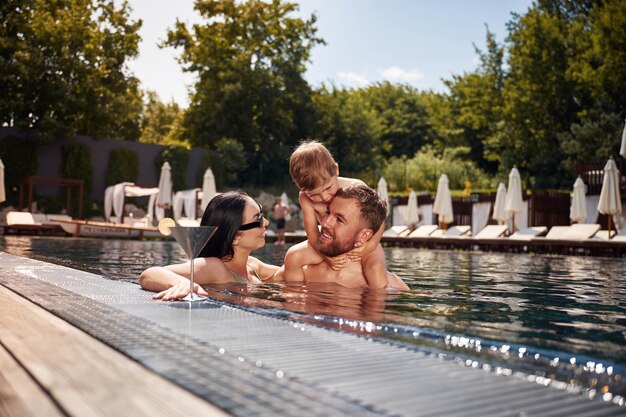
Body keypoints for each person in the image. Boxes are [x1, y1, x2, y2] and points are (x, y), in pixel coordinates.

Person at [284, 140, 390, 288]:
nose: (324, 197)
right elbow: (312, 232)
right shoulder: (304, 198)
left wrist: (370, 245)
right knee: (293, 257)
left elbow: (378, 220)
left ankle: (377, 303)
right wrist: (325, 256)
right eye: (314, 195)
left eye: (328, 188)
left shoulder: (355, 187)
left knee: (374, 268)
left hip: (360, 242)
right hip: (327, 242)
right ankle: (295, 296)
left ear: (336, 170)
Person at [139, 191, 280, 300]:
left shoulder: (253, 266)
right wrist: (182, 283)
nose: (266, 222)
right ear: (235, 237)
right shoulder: (215, 267)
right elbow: (149, 274)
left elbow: (294, 269)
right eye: (259, 219)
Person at [292, 184, 409, 290]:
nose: (325, 223)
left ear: (364, 236)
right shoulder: (302, 271)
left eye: (339, 219)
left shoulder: (387, 285)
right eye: (327, 213)